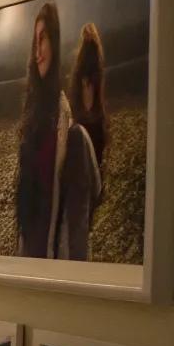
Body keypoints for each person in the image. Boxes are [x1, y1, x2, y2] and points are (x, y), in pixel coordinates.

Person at [16, 1, 72, 258]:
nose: (37, 51)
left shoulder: (62, 112)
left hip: (49, 249)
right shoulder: (30, 105)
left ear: (55, 43)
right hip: (27, 242)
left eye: (43, 39)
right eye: (34, 41)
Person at [56, 22, 108, 260]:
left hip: (87, 126)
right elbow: (89, 96)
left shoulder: (82, 66)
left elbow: (85, 95)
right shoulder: (92, 62)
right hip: (91, 128)